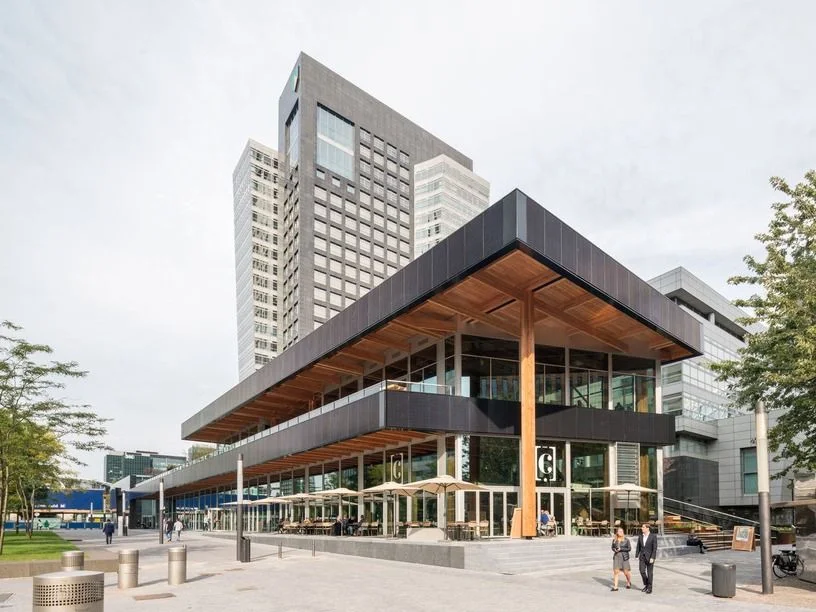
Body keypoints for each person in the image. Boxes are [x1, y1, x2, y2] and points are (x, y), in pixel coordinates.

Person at [635, 523, 657, 594]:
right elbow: (638, 546)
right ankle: (647, 584)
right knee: (642, 571)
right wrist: (636, 555)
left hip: (650, 557)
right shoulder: (640, 536)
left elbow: (654, 548)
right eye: (642, 527)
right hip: (642, 557)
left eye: (643, 527)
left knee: (650, 573)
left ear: (647, 528)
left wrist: (652, 557)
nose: (642, 528)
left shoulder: (653, 536)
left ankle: (649, 588)